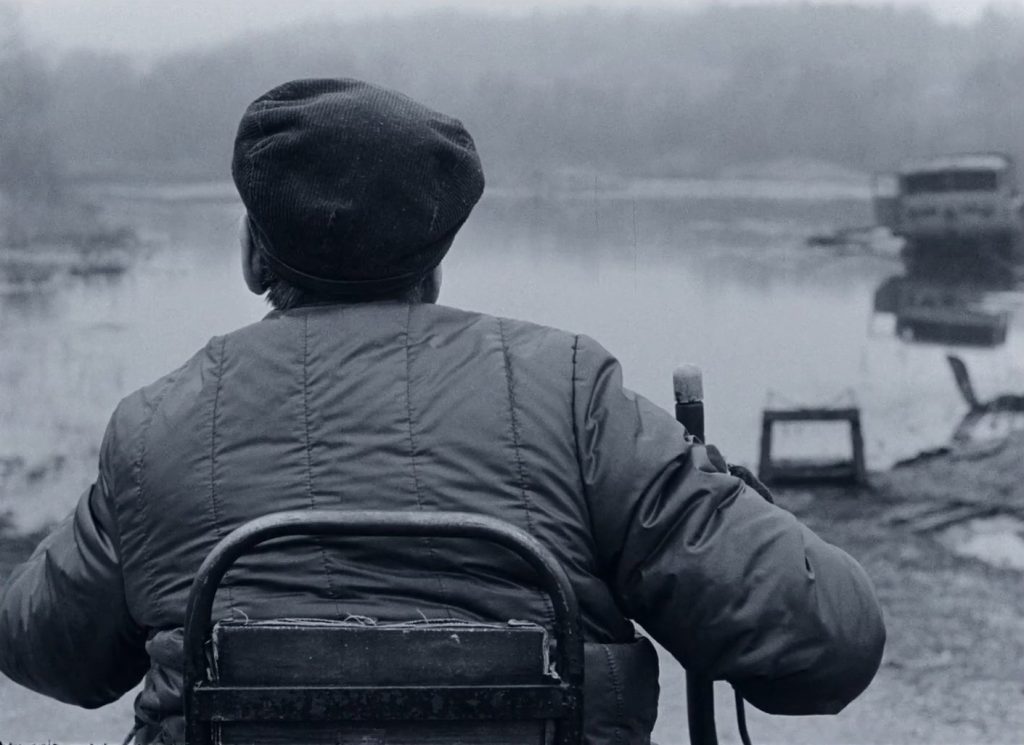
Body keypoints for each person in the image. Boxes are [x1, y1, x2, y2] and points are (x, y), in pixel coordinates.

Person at [0, 78, 885, 745]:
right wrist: (720, 493)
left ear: (253, 254)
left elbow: (45, 650)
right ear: (438, 253)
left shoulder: (154, 428)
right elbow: (826, 643)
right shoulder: (570, 391)